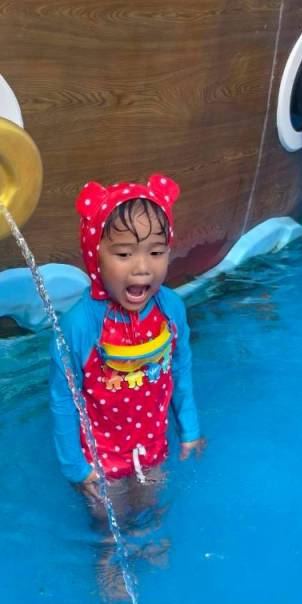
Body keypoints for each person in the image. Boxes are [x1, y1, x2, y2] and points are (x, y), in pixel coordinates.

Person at [48, 174, 205, 519]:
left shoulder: (170, 309)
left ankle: (148, 535)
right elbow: (63, 400)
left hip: (152, 445)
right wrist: (76, 467)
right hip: (99, 458)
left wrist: (189, 427)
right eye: (123, 254)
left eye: (156, 252)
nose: (142, 268)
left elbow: (181, 369)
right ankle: (108, 548)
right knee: (108, 520)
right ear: (95, 256)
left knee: (152, 506)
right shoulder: (80, 326)